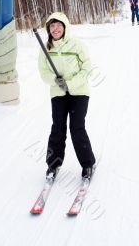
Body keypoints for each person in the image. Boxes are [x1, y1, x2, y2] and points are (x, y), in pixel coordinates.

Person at [38, 12, 96, 181]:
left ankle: (88, 164)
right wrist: (55, 80)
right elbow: (43, 72)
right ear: (49, 29)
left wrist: (70, 84)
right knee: (58, 128)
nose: (55, 29)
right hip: (58, 93)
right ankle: (53, 165)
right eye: (52, 26)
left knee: (76, 128)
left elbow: (87, 69)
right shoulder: (46, 49)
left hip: (79, 91)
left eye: (58, 25)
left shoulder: (77, 45)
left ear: (65, 27)